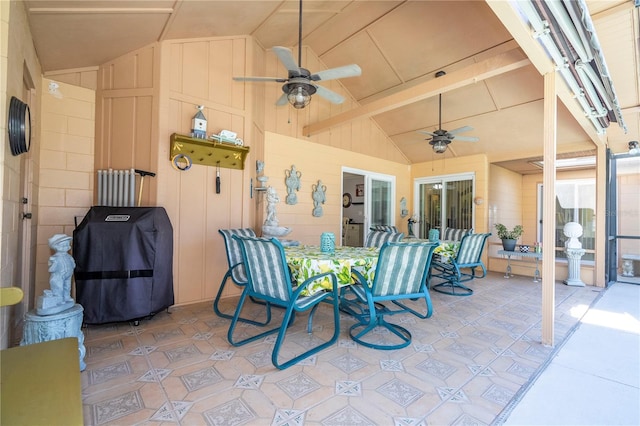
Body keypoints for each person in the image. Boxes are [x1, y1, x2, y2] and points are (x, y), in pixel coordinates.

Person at [48, 234, 75, 302]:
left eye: (67, 245)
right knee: (58, 287)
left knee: (67, 286)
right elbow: (51, 269)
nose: (65, 247)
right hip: (58, 276)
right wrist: (53, 263)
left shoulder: (69, 256)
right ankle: (59, 299)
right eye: (62, 245)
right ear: (55, 247)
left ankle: (66, 297)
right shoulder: (54, 258)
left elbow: (73, 264)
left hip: (68, 275)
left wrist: (72, 265)